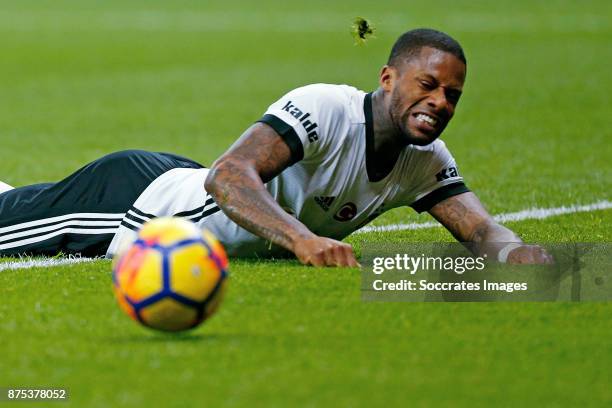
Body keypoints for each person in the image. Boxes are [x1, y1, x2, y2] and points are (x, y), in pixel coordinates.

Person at [0, 28, 551, 266]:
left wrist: (511, 250)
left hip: (186, 195)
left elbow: (479, 228)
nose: (440, 102)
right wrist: (303, 240)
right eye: (426, 85)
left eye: (452, 95)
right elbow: (228, 175)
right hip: (140, 207)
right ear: (387, 78)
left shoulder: (424, 160)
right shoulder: (326, 108)